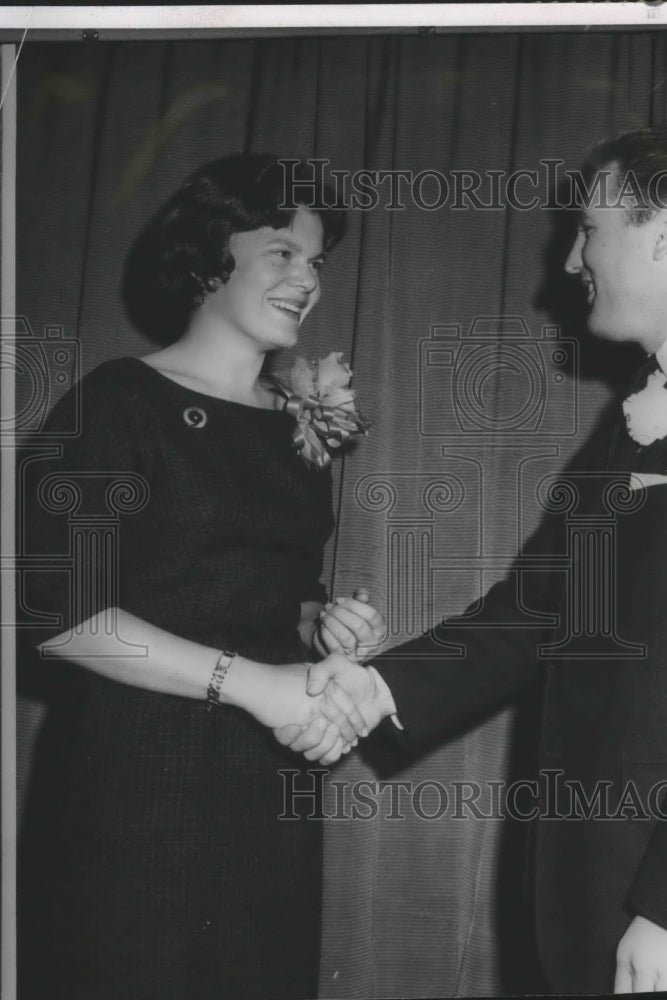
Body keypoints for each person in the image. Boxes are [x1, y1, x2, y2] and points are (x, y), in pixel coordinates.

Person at [288, 129, 667, 994]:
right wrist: (375, 689)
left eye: (587, 229)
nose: (569, 262)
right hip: (605, 895)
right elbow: (542, 607)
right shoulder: (647, 404)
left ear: (665, 228)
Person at [18, 153, 380, 1000]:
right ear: (210, 255)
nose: (307, 279)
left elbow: (267, 597)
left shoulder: (297, 430)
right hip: (136, 785)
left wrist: (327, 627)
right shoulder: (118, 402)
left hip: (266, 787)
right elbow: (57, 610)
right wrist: (256, 683)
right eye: (282, 252)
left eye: (317, 262)